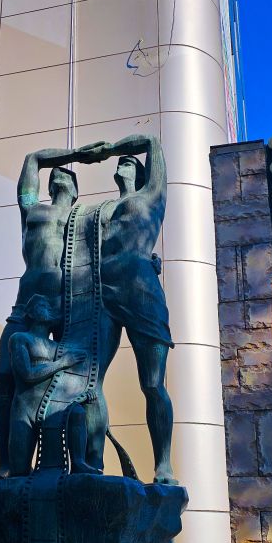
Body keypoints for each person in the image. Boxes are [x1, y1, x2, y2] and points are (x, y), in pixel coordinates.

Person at [0, 143, 107, 476]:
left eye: (67, 174)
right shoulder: (33, 212)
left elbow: (117, 244)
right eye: (56, 172)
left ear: (75, 191)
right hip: (24, 306)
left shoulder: (84, 218)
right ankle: (8, 465)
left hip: (69, 311)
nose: (59, 174)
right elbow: (32, 159)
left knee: (88, 383)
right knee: (5, 379)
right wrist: (77, 155)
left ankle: (89, 462)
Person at [84, 134, 176, 484]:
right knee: (89, 380)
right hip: (103, 294)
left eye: (129, 161)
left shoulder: (151, 197)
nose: (123, 163)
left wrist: (109, 149)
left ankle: (163, 464)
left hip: (142, 294)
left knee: (152, 383)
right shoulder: (104, 209)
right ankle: (91, 462)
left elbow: (151, 141)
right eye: (120, 162)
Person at [8, 295, 100, 477]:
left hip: (53, 408)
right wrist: (62, 363)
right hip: (24, 410)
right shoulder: (20, 339)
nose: (48, 308)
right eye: (43, 305)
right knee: (19, 471)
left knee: (77, 413)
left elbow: (69, 381)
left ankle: (79, 462)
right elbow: (27, 374)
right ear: (30, 313)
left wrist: (85, 393)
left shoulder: (59, 347)